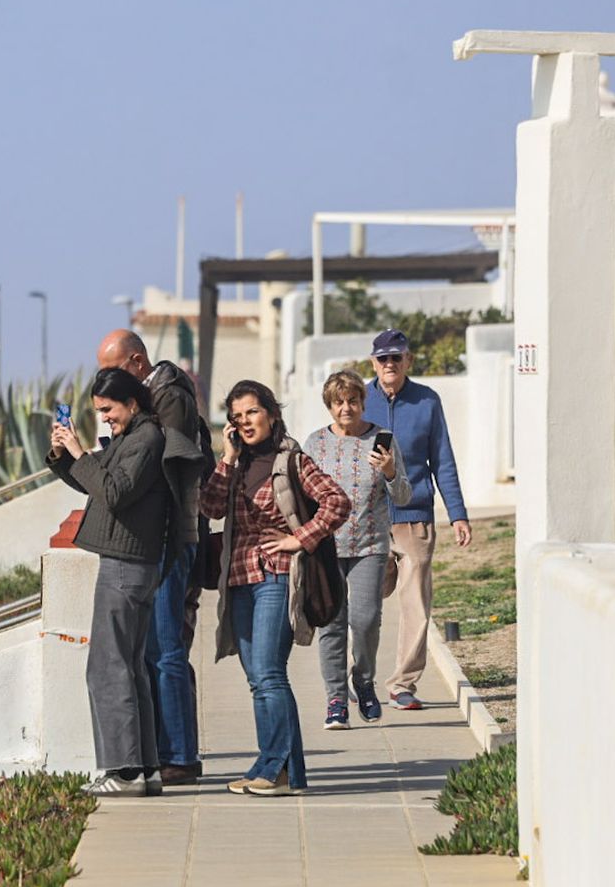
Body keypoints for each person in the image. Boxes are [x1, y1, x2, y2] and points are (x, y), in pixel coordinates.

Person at [47, 367, 203, 797]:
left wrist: (79, 453)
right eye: (98, 411)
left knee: (107, 668)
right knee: (130, 666)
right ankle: (146, 768)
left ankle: (125, 770)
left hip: (126, 565)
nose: (105, 418)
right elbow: (95, 479)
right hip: (127, 563)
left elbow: (114, 493)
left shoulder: (146, 439)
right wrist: (66, 455)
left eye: (109, 409)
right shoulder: (132, 438)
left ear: (132, 402)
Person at [201, 380, 348, 796]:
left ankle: (273, 768)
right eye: (236, 416)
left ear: (271, 413)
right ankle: (287, 774)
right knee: (258, 679)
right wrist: (227, 458)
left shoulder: (292, 461)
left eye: (251, 412)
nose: (244, 422)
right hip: (239, 579)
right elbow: (209, 507)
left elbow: (337, 502)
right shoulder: (238, 464)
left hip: (277, 576)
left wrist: (300, 538)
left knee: (268, 674)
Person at [96, 329, 214, 785]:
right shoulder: (155, 400)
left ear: (137, 362)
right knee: (151, 651)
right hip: (154, 541)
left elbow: (156, 467)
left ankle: (181, 756)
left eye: (113, 370)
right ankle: (167, 750)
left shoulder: (168, 400)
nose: (107, 381)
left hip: (170, 538)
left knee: (166, 650)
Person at [364, 328, 472, 711]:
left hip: (414, 520)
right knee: (366, 601)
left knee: (415, 604)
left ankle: (401, 684)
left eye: (397, 357)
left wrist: (457, 514)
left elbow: (442, 460)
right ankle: (359, 678)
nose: (390, 364)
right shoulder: (359, 400)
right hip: (369, 520)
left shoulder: (427, 401)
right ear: (373, 362)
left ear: (408, 360)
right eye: (383, 359)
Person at [304, 370, 412, 728]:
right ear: (329, 407)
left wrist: (392, 471)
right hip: (326, 547)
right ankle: (336, 699)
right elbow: (303, 494)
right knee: (331, 624)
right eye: (338, 402)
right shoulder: (315, 443)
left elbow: (404, 495)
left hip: (370, 545)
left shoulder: (382, 440)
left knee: (364, 620)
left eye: (352, 401)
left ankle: (363, 681)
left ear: (363, 403)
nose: (346, 408)